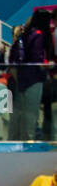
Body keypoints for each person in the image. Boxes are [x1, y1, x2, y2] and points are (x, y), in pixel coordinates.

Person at [9, 9, 56, 140]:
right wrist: (48, 65)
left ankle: (22, 139)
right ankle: (29, 141)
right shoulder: (39, 35)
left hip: (22, 80)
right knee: (31, 112)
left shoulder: (27, 34)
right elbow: (36, 59)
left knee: (22, 113)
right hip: (33, 79)